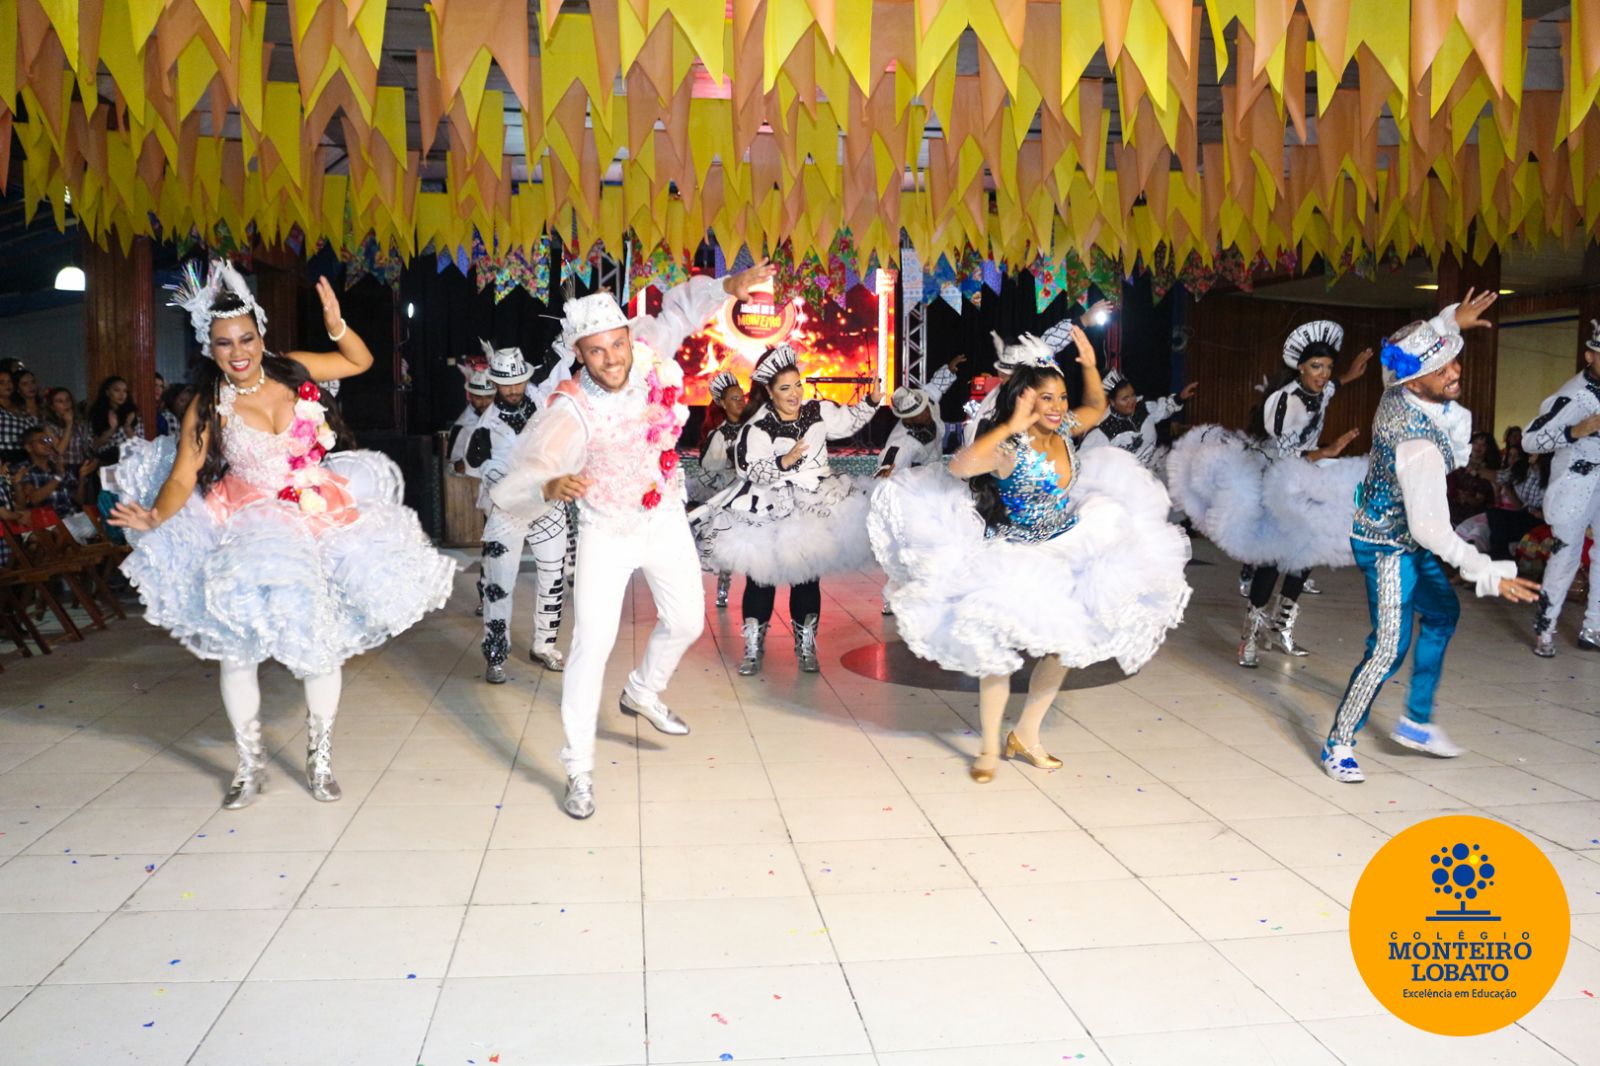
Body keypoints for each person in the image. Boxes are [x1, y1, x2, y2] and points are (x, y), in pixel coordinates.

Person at [109, 259, 456, 809]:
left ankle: (321, 758)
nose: (238, 351)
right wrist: (155, 516)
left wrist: (337, 325)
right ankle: (249, 765)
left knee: (321, 644)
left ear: (261, 335)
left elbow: (359, 360)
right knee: (237, 650)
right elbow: (182, 476)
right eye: (224, 343)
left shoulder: (292, 369)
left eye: (246, 338)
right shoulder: (209, 405)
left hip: (316, 511)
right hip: (252, 525)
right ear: (209, 348)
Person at [490, 259, 775, 819]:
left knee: (688, 621)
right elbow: (517, 481)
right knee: (591, 645)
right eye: (596, 351)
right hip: (606, 531)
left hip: (662, 516)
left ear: (628, 337)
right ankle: (578, 768)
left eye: (617, 344)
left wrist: (727, 287)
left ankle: (642, 691)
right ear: (580, 353)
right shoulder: (570, 409)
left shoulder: (646, 355)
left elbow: (679, 312)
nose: (612, 358)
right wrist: (549, 485)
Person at [871, 328, 1190, 783]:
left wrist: (1090, 366)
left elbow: (1097, 408)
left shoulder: (1065, 430)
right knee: (996, 651)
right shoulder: (1008, 447)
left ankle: (1026, 733)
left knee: (1065, 647)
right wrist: (1009, 425)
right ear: (1025, 400)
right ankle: (988, 746)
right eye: (1047, 398)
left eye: (1061, 397)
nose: (1058, 407)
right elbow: (961, 466)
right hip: (1014, 555)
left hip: (1064, 545)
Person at [1323, 291, 1539, 781]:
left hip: (1408, 531)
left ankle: (1416, 722)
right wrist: (1485, 569)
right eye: (1441, 369)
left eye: (1453, 361)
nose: (1454, 372)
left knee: (1443, 613)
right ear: (1416, 380)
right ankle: (1338, 743)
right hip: (1388, 543)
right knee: (1388, 649)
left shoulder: (1401, 385)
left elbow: (1407, 354)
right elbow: (1431, 530)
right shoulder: (1417, 442)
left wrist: (1450, 321)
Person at [1168, 320, 1372, 668]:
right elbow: (1285, 454)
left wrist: (1350, 374)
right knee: (1273, 560)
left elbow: (1330, 388)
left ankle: (1280, 628)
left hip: (1305, 478)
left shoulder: (1320, 389)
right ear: (1300, 367)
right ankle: (1250, 635)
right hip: (1276, 480)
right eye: (1316, 367)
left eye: (1327, 367)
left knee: (1305, 555)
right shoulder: (1284, 401)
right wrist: (1326, 452)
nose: (1323, 375)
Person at [699, 344, 883, 675]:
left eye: (798, 385)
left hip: (812, 505)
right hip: (767, 508)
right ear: (770, 392)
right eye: (785, 388)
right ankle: (753, 647)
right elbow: (749, 469)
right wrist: (783, 462)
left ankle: (805, 646)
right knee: (761, 580)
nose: (795, 393)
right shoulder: (757, 426)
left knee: (806, 578)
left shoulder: (817, 412)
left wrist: (870, 402)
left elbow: (846, 422)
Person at [465, 339, 575, 680]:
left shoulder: (542, 397)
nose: (513, 389)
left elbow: (561, 352)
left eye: (518, 381)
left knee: (553, 580)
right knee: (499, 585)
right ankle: (496, 655)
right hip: (507, 512)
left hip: (549, 508)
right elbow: (490, 477)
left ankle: (545, 645)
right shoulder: (485, 430)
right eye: (505, 383)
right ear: (494, 382)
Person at [1523, 318, 1600, 656]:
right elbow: (1530, 440)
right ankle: (1545, 630)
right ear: (1589, 356)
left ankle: (1594, 628)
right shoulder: (1573, 396)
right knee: (1565, 552)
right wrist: (1574, 432)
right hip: (1574, 482)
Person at [693, 370, 750, 608]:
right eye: (734, 399)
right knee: (727, 542)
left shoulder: (755, 427)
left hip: (755, 492)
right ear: (723, 404)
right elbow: (709, 469)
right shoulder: (719, 436)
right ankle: (723, 584)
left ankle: (757, 590)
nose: (740, 402)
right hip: (730, 494)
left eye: (742, 397)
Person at [1079, 370, 1198, 470]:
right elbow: (1081, 462)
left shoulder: (1143, 407)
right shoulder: (1103, 429)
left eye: (1132, 395)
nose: (1131, 401)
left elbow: (1164, 408)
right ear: (1112, 402)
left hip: (1154, 468)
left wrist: (1180, 397)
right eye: (1125, 398)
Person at [13, 426, 95, 517]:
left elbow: (80, 500)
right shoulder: (22, 470)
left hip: (73, 515)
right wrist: (58, 477)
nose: (47, 444)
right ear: (29, 447)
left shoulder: (57, 465)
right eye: (42, 441)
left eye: (48, 440)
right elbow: (33, 499)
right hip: (50, 521)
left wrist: (82, 478)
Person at [88, 376, 143, 466]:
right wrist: (112, 429)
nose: (122, 395)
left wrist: (127, 426)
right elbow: (93, 446)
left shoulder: (131, 414)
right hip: (106, 460)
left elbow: (140, 445)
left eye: (125, 391)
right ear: (107, 392)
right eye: (117, 390)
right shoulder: (97, 414)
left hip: (129, 461)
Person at [44, 388, 94, 470]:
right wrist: (69, 424)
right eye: (60, 401)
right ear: (52, 407)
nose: (65, 404)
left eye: (68, 400)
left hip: (81, 465)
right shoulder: (49, 427)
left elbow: (91, 446)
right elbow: (59, 451)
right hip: (61, 468)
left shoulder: (81, 423)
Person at [0, 368, 41, 464]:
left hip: (22, 456)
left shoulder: (21, 409)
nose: (7, 385)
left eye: (9, 381)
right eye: (1, 382)